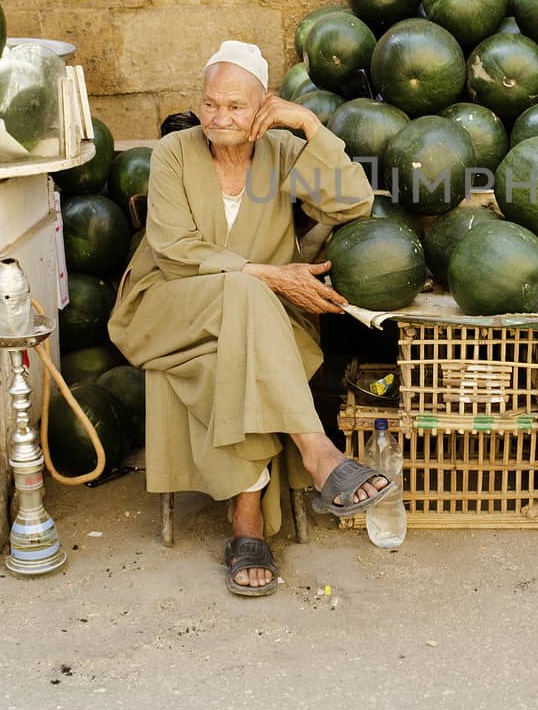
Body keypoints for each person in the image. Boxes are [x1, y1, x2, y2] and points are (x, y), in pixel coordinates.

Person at [108, 41, 389, 597]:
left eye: (236, 106)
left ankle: (247, 520)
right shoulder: (173, 152)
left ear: (264, 105)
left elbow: (353, 202)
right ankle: (319, 452)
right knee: (247, 288)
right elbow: (173, 251)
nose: (220, 118)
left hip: (254, 328)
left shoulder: (282, 152)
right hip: (168, 307)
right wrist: (269, 273)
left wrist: (308, 123)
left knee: (228, 354)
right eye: (210, 104)